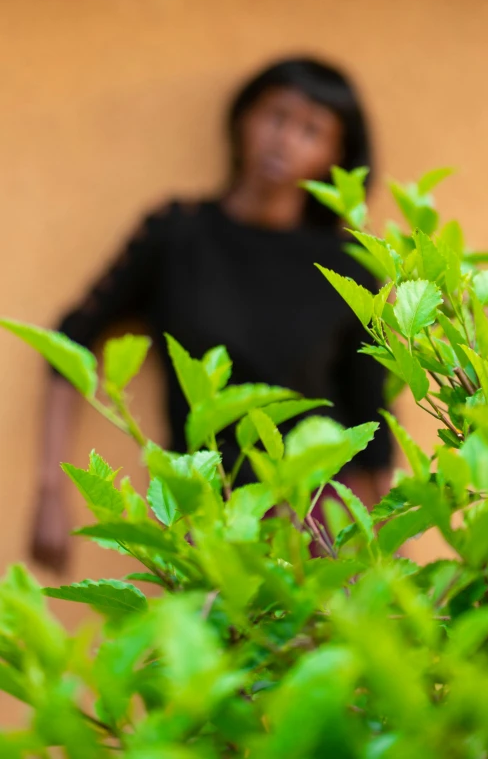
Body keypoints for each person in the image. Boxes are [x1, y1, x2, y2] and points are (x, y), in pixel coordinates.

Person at [34, 56, 392, 572]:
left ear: (335, 155)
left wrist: (382, 558)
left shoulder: (345, 266)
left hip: (319, 520)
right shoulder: (176, 236)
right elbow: (68, 345)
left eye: (312, 130)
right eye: (276, 115)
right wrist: (50, 492)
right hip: (208, 511)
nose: (284, 139)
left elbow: (372, 423)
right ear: (243, 117)